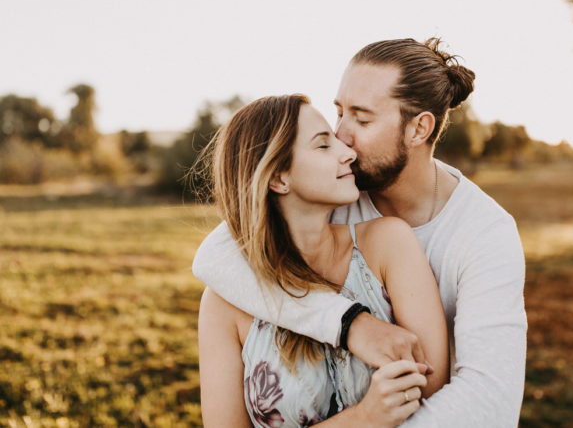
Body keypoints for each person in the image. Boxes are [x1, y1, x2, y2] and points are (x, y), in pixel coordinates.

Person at [194, 38, 527, 426]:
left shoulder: (484, 234)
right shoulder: (329, 191)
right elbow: (216, 257)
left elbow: (487, 402)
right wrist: (351, 324)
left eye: (362, 119)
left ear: (419, 129)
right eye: (339, 114)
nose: (343, 138)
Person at [197, 94, 449, 427]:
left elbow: (431, 382)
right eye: (322, 146)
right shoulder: (223, 304)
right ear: (279, 179)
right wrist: (364, 419)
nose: (349, 153)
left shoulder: (388, 245)